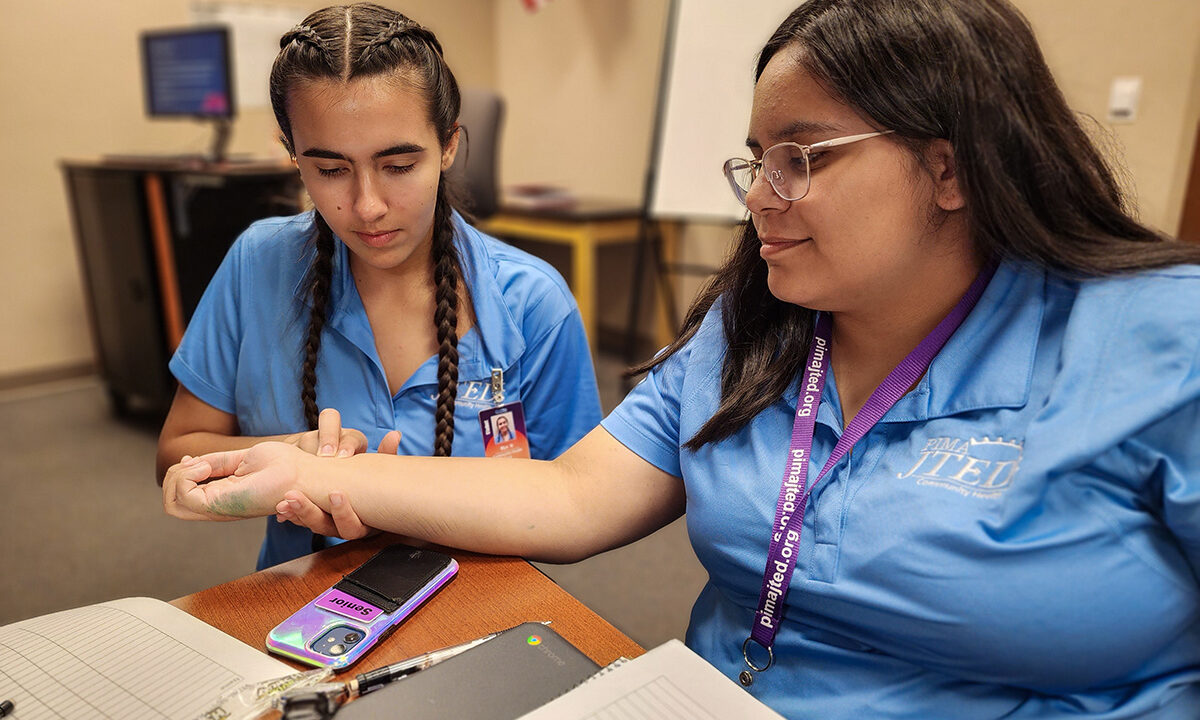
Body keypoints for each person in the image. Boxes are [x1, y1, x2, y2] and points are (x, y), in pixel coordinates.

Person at [163, 0, 1200, 716]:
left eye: (802, 158)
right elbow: (569, 494)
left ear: (950, 166)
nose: (759, 199)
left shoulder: (1163, 341)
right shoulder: (751, 329)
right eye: (757, 160)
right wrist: (300, 471)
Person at [155, 3, 602, 569]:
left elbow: (575, 505)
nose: (367, 206)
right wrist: (297, 456)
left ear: (448, 145)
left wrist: (368, 490)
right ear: (293, 156)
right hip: (303, 593)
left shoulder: (532, 304)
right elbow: (177, 450)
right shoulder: (258, 265)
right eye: (330, 170)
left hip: (481, 594)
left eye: (398, 166)